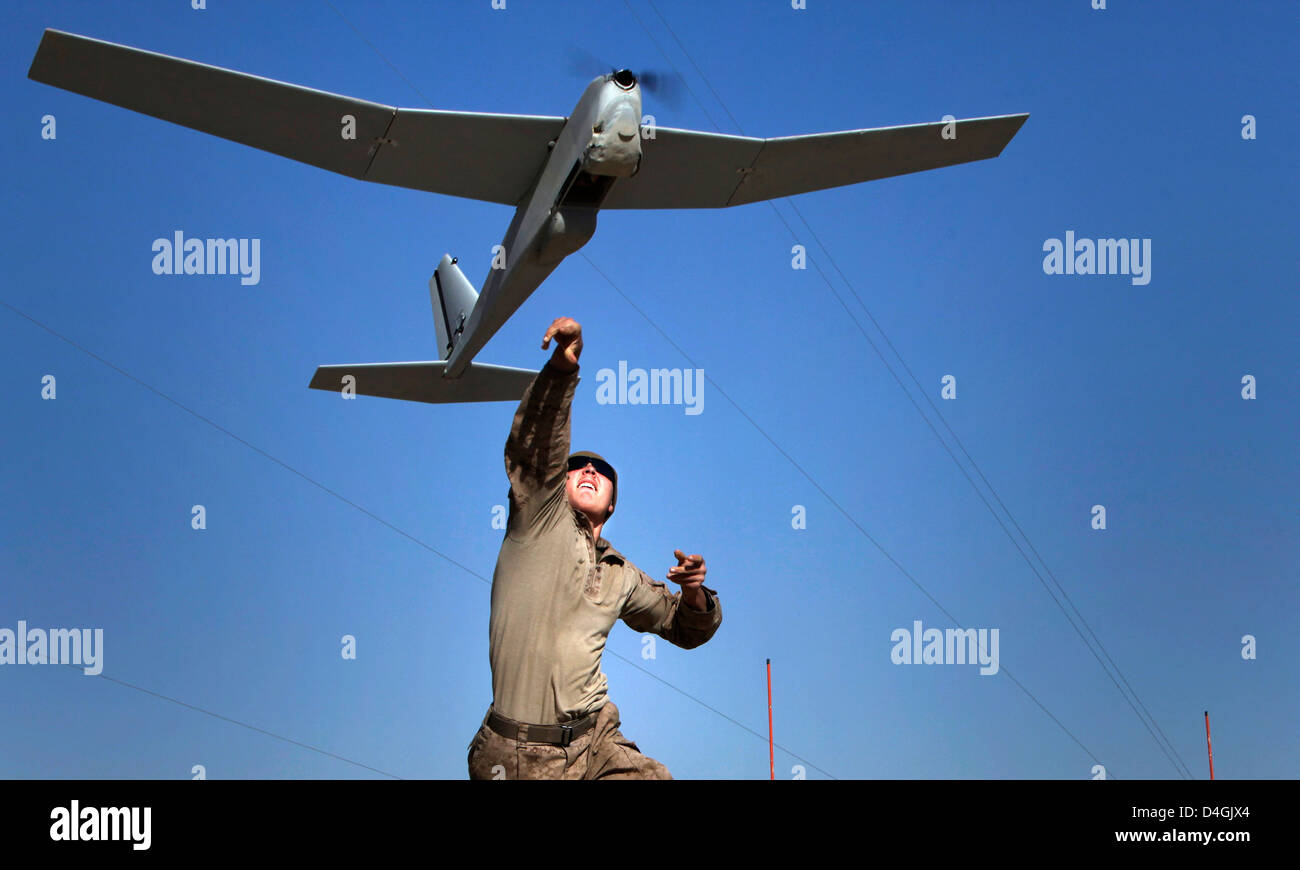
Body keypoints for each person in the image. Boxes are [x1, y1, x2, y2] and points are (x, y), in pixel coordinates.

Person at [467, 316, 722, 780]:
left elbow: (683, 627)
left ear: (612, 504)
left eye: (600, 472)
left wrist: (694, 592)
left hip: (591, 745)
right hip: (512, 753)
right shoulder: (536, 517)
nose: (588, 470)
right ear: (558, 482)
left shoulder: (618, 573)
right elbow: (537, 449)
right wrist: (562, 373)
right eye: (577, 466)